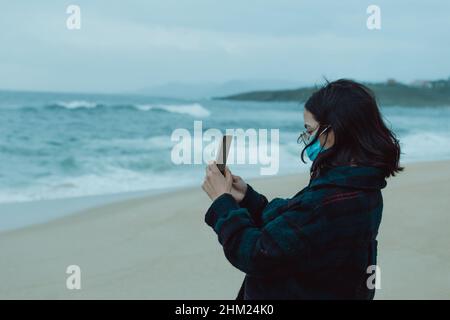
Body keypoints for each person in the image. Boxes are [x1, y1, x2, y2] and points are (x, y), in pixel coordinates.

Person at [201, 79, 402, 299]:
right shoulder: (363, 185)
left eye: (309, 130)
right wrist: (247, 197)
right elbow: (295, 228)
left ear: (332, 131)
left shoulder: (327, 201)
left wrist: (223, 203)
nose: (305, 138)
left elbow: (256, 254)